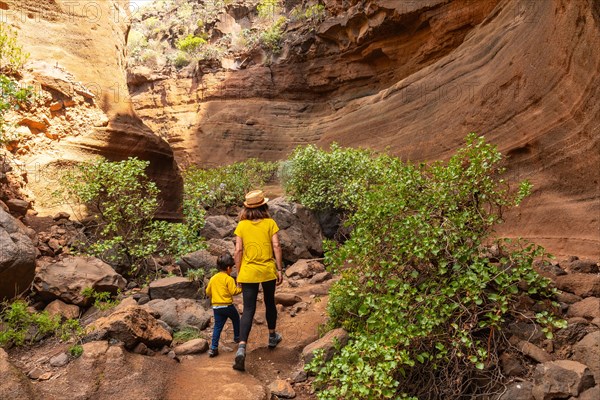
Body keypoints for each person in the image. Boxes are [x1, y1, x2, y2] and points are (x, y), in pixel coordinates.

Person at [232, 189, 284, 371]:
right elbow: (276, 245)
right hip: (267, 270)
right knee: (270, 302)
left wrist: (238, 274)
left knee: (248, 309)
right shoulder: (270, 223)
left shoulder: (242, 226)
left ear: (247, 208)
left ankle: (241, 348)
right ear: (264, 205)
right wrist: (279, 268)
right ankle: (272, 336)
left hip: (248, 272)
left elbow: (238, 251)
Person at [205, 253, 242, 357]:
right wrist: (240, 287)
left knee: (217, 327)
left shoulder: (213, 278)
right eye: (232, 268)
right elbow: (233, 291)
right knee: (236, 318)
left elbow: (208, 292)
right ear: (228, 268)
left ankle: (213, 348)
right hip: (227, 306)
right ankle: (237, 337)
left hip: (217, 308)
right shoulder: (228, 279)